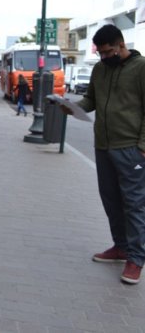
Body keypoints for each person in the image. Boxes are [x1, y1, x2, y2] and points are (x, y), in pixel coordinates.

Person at [60, 24, 145, 285]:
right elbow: (91, 102)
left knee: (134, 204)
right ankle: (120, 246)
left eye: (108, 52)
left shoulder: (141, 68)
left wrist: (142, 146)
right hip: (104, 146)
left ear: (121, 45)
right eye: (100, 53)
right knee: (110, 199)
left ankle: (136, 259)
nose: (103, 57)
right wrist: (70, 107)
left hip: (131, 148)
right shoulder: (100, 69)